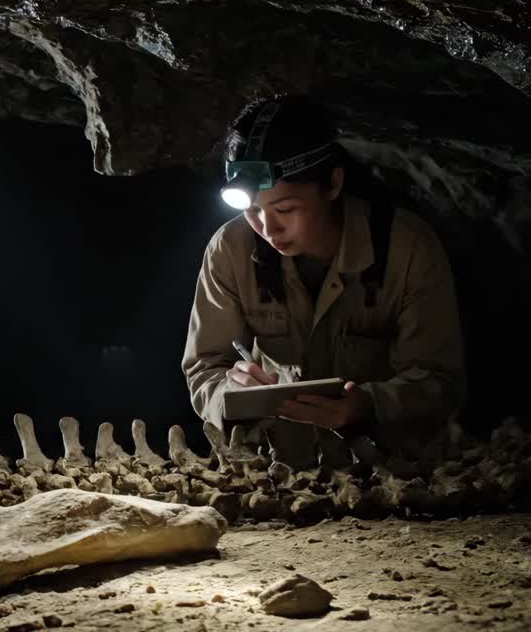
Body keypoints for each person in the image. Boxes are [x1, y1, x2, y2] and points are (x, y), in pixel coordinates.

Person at [181, 93, 466, 471]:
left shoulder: (406, 249)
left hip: (392, 481)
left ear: (333, 184)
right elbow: (205, 367)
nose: (268, 228)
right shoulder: (230, 250)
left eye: (285, 209)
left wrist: (366, 404)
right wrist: (228, 394)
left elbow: (440, 381)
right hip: (276, 480)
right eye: (251, 210)